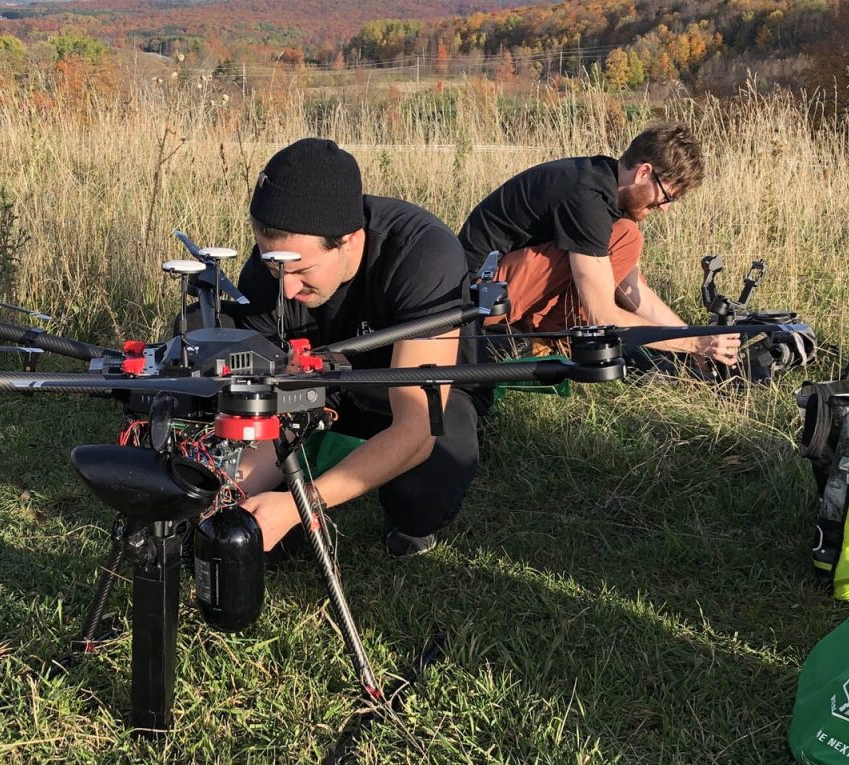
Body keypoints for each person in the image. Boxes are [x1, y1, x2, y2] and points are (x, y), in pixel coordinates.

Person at [224, 137, 485, 558]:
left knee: (420, 496)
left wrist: (298, 505)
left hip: (420, 393)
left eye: (301, 269)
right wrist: (227, 492)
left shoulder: (422, 254)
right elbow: (268, 397)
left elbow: (416, 429)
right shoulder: (271, 268)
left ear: (348, 240)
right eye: (274, 267)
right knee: (261, 538)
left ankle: (395, 510)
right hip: (324, 390)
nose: (286, 288)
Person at [457, 121, 740, 369]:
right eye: (667, 197)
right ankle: (543, 341)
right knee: (626, 237)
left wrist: (690, 336)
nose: (664, 209)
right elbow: (601, 313)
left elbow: (631, 288)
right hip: (478, 297)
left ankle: (545, 340)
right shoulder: (587, 198)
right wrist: (693, 344)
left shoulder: (606, 187)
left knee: (625, 238)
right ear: (644, 172)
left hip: (501, 289)